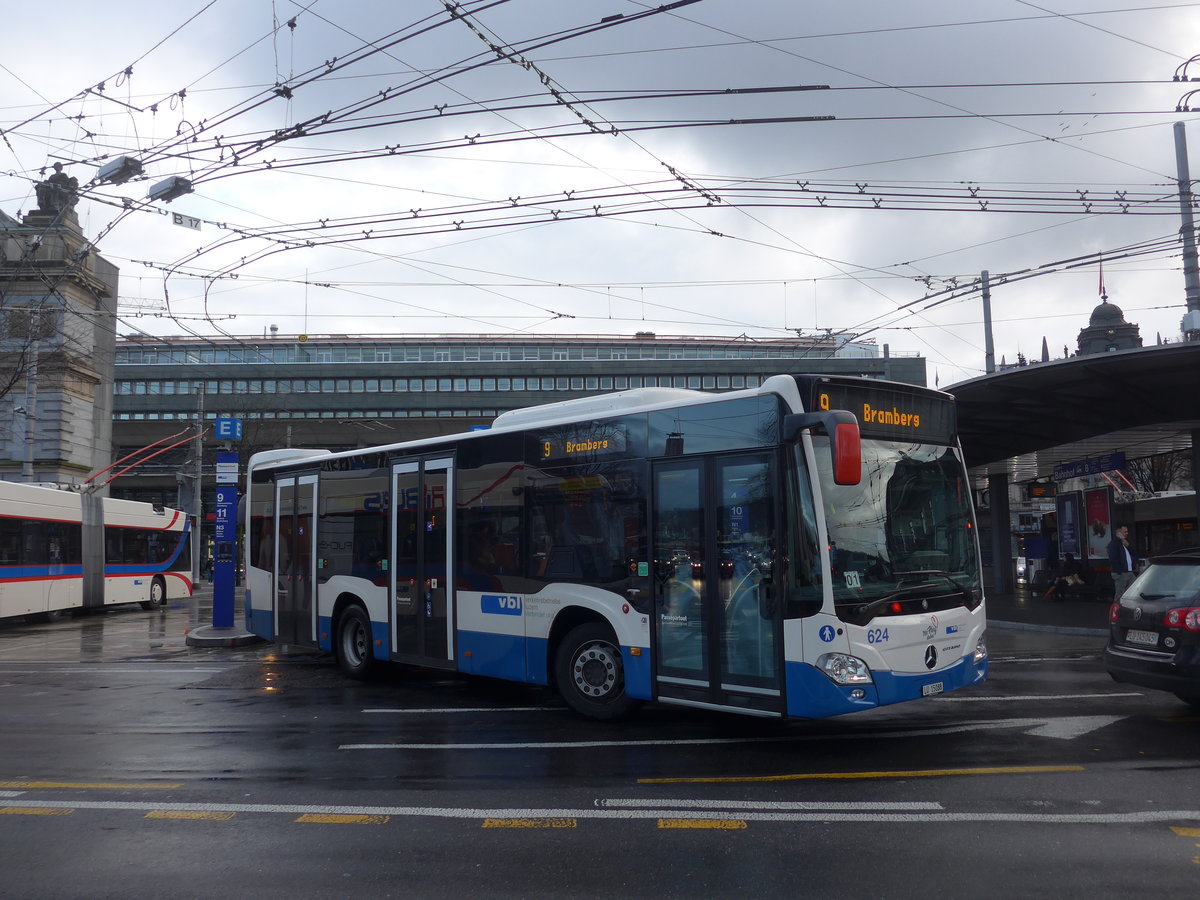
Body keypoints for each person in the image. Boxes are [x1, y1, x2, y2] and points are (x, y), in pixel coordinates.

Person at [1107, 523, 1136, 600]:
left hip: (1129, 572)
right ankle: (1116, 609)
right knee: (1120, 593)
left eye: (1127, 531)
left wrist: (1128, 545)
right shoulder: (1114, 544)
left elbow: (1134, 553)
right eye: (1124, 532)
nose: (1127, 533)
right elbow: (1113, 559)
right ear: (1118, 533)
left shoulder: (1125, 543)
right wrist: (1120, 571)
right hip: (1122, 572)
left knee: (1134, 590)